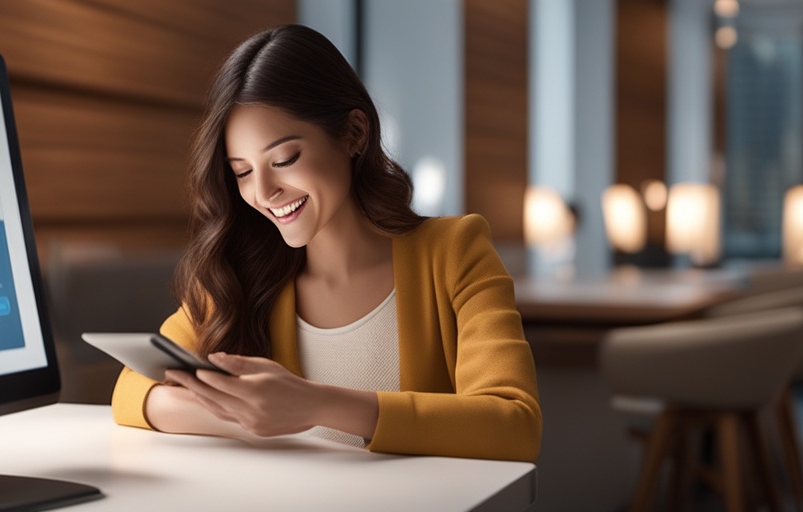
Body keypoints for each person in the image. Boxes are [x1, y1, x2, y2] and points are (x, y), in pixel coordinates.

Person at [111, 24, 541, 462]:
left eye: (284, 159)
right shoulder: (239, 271)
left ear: (355, 133)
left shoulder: (454, 252)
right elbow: (131, 391)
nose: (263, 191)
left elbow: (515, 425)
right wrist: (247, 417)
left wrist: (314, 405)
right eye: (242, 171)